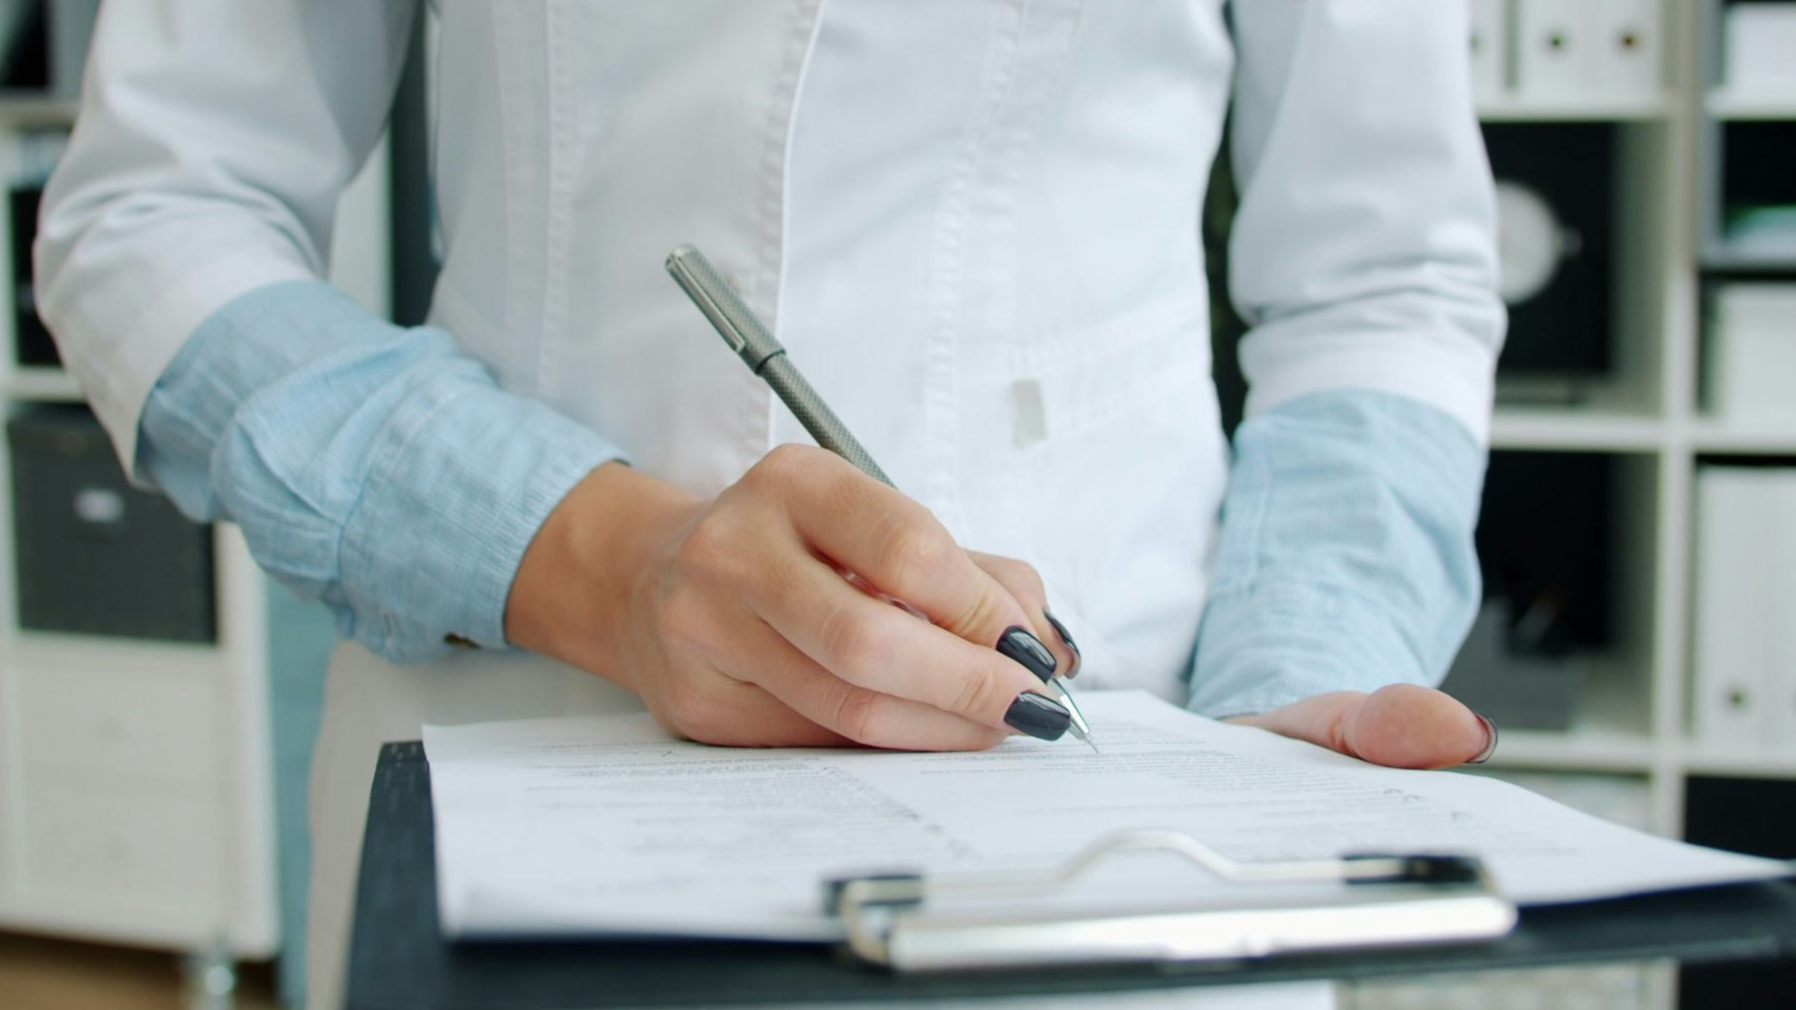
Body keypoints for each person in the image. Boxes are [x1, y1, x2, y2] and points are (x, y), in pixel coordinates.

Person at [36, 2, 1503, 1007]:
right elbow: (160, 208)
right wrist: (594, 558)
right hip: (535, 750)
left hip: (1126, 801)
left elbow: (1380, 273)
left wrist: (1288, 694)